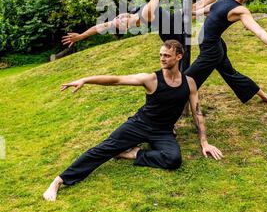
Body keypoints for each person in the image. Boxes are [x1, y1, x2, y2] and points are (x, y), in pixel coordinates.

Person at [43, 40, 223, 201]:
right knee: (104, 148)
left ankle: (131, 153)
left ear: (179, 56)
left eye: (167, 56)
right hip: (139, 125)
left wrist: (204, 142)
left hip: (163, 132)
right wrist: (85, 80)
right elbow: (116, 80)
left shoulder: (189, 83)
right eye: (160, 55)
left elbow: (197, 112)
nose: (162, 59)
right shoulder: (151, 79)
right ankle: (59, 181)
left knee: (174, 159)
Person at [184, 0, 267, 104]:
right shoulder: (222, 0)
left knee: (188, 78)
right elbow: (205, 11)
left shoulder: (241, 11)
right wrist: (188, 12)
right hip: (216, 45)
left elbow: (259, 31)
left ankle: (169, 99)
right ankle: (265, 96)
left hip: (211, 51)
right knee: (232, 75)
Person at [62, 0, 235, 48]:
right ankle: (222, 1)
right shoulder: (141, 17)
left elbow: (99, 27)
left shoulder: (134, 13)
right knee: (201, 7)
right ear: (127, 26)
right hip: (175, 30)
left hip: (173, 22)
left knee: (199, 4)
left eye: (117, 17)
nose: (120, 16)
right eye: (120, 20)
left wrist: (81, 36)